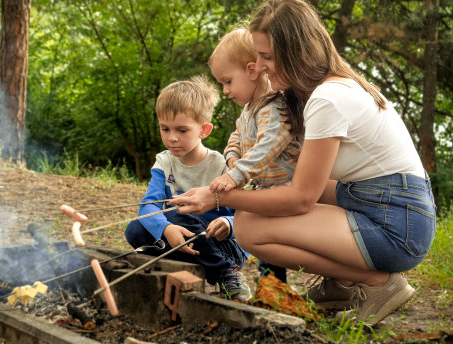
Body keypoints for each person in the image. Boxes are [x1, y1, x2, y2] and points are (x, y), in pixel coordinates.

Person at [170, 0, 436, 326]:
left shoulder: (327, 100)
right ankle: (343, 284)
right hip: (393, 206)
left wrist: (217, 198)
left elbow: (300, 199)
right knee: (271, 195)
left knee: (250, 227)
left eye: (266, 57)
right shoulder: (331, 89)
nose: (260, 65)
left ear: (296, 50)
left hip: (397, 226)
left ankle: (378, 282)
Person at [124, 75, 251, 301]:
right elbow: (147, 206)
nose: (172, 138)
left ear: (204, 130)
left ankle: (227, 271)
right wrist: (165, 229)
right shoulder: (164, 162)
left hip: (221, 244)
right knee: (135, 229)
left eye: (182, 131)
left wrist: (228, 223)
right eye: (165, 129)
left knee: (179, 212)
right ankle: (190, 265)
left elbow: (244, 213)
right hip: (183, 237)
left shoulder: (222, 165)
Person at [207, 28, 305, 283]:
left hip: (287, 189)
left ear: (251, 71)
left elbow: (268, 147)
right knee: (259, 238)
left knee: (262, 234)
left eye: (227, 81)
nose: (226, 91)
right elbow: (236, 138)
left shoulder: (274, 107)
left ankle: (273, 285)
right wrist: (232, 160)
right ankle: (271, 286)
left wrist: (237, 174)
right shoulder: (250, 110)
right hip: (267, 189)